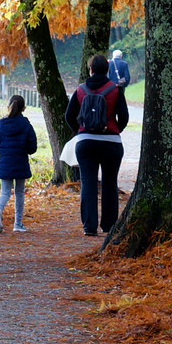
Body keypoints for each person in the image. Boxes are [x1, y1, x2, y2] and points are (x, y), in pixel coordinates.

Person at [62, 54, 128, 236]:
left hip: (86, 143)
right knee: (109, 183)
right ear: (107, 70)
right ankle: (108, 226)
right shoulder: (115, 90)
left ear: (90, 70)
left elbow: (69, 116)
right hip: (111, 142)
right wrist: (114, 130)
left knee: (88, 183)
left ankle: (89, 227)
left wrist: (81, 131)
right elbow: (124, 117)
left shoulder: (80, 90)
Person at [0, 94, 38, 233]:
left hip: (5, 162)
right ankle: (17, 224)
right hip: (20, 162)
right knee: (19, 192)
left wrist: (4, 151)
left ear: (9, 106)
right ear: (24, 108)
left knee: (4, 192)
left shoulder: (0, 124)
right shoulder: (26, 125)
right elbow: (32, 148)